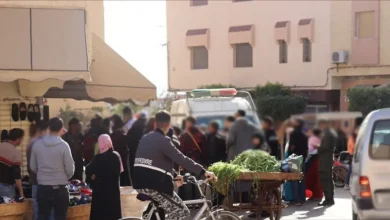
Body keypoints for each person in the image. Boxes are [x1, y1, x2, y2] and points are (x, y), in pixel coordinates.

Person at [132, 110, 216, 220]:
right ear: (168, 125)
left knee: (173, 212)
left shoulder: (145, 138)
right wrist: (204, 171)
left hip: (140, 182)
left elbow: (156, 163)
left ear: (155, 124)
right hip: (154, 186)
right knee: (183, 212)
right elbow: (181, 159)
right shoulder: (163, 140)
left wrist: (174, 175)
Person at [30, 117, 74, 220]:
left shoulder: (37, 145)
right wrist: (63, 177)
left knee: (43, 217)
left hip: (43, 188)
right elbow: (70, 169)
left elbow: (32, 167)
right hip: (61, 189)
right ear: (62, 128)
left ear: (49, 127)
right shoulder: (64, 146)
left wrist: (42, 174)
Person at [86, 134, 123, 220]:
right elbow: (119, 171)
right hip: (113, 195)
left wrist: (94, 176)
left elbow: (88, 170)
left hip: (100, 195)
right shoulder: (116, 156)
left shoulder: (98, 158)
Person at [27, 122, 52, 220]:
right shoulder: (38, 144)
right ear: (44, 131)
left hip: (35, 181)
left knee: (37, 208)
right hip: (42, 182)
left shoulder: (31, 143)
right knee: (44, 209)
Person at [178, 116, 207, 202]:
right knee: (197, 182)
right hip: (197, 161)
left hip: (187, 161)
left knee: (188, 182)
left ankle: (189, 203)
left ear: (189, 123)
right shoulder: (200, 134)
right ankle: (198, 202)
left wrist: (181, 164)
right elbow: (204, 149)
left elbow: (181, 150)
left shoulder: (184, 135)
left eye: (186, 123)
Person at [287, 118, 308, 206]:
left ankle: (296, 199)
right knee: (301, 179)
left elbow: (292, 146)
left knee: (294, 178)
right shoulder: (304, 134)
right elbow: (306, 148)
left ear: (298, 123)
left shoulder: (294, 133)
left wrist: (289, 153)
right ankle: (302, 198)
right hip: (302, 157)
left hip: (294, 158)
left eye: (295, 122)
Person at [317, 119, 337, 206]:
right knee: (327, 178)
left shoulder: (328, 133)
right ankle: (329, 198)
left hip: (326, 159)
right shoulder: (328, 132)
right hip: (326, 158)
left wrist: (317, 148)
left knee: (326, 178)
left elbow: (325, 147)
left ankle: (329, 199)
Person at [0, 128, 25, 198]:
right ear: (18, 139)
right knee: (8, 208)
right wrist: (21, 193)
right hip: (7, 187)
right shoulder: (16, 153)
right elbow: (17, 175)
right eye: (22, 139)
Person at [110, 115, 131, 186]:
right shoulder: (123, 135)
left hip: (114, 161)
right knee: (125, 179)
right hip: (123, 160)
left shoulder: (112, 136)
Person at [127, 114, 147, 182]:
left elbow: (127, 139)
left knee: (133, 170)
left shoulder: (133, 128)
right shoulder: (145, 129)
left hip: (132, 152)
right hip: (142, 153)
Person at [305, 128, 323, 201]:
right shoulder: (319, 139)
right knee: (317, 178)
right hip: (318, 159)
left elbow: (311, 149)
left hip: (313, 159)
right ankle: (317, 195)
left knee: (312, 178)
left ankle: (315, 195)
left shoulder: (312, 138)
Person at [345, 117, 363, 190]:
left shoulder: (354, 132)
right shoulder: (356, 132)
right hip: (354, 153)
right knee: (352, 169)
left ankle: (350, 183)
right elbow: (353, 144)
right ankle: (346, 183)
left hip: (353, 153)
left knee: (354, 169)